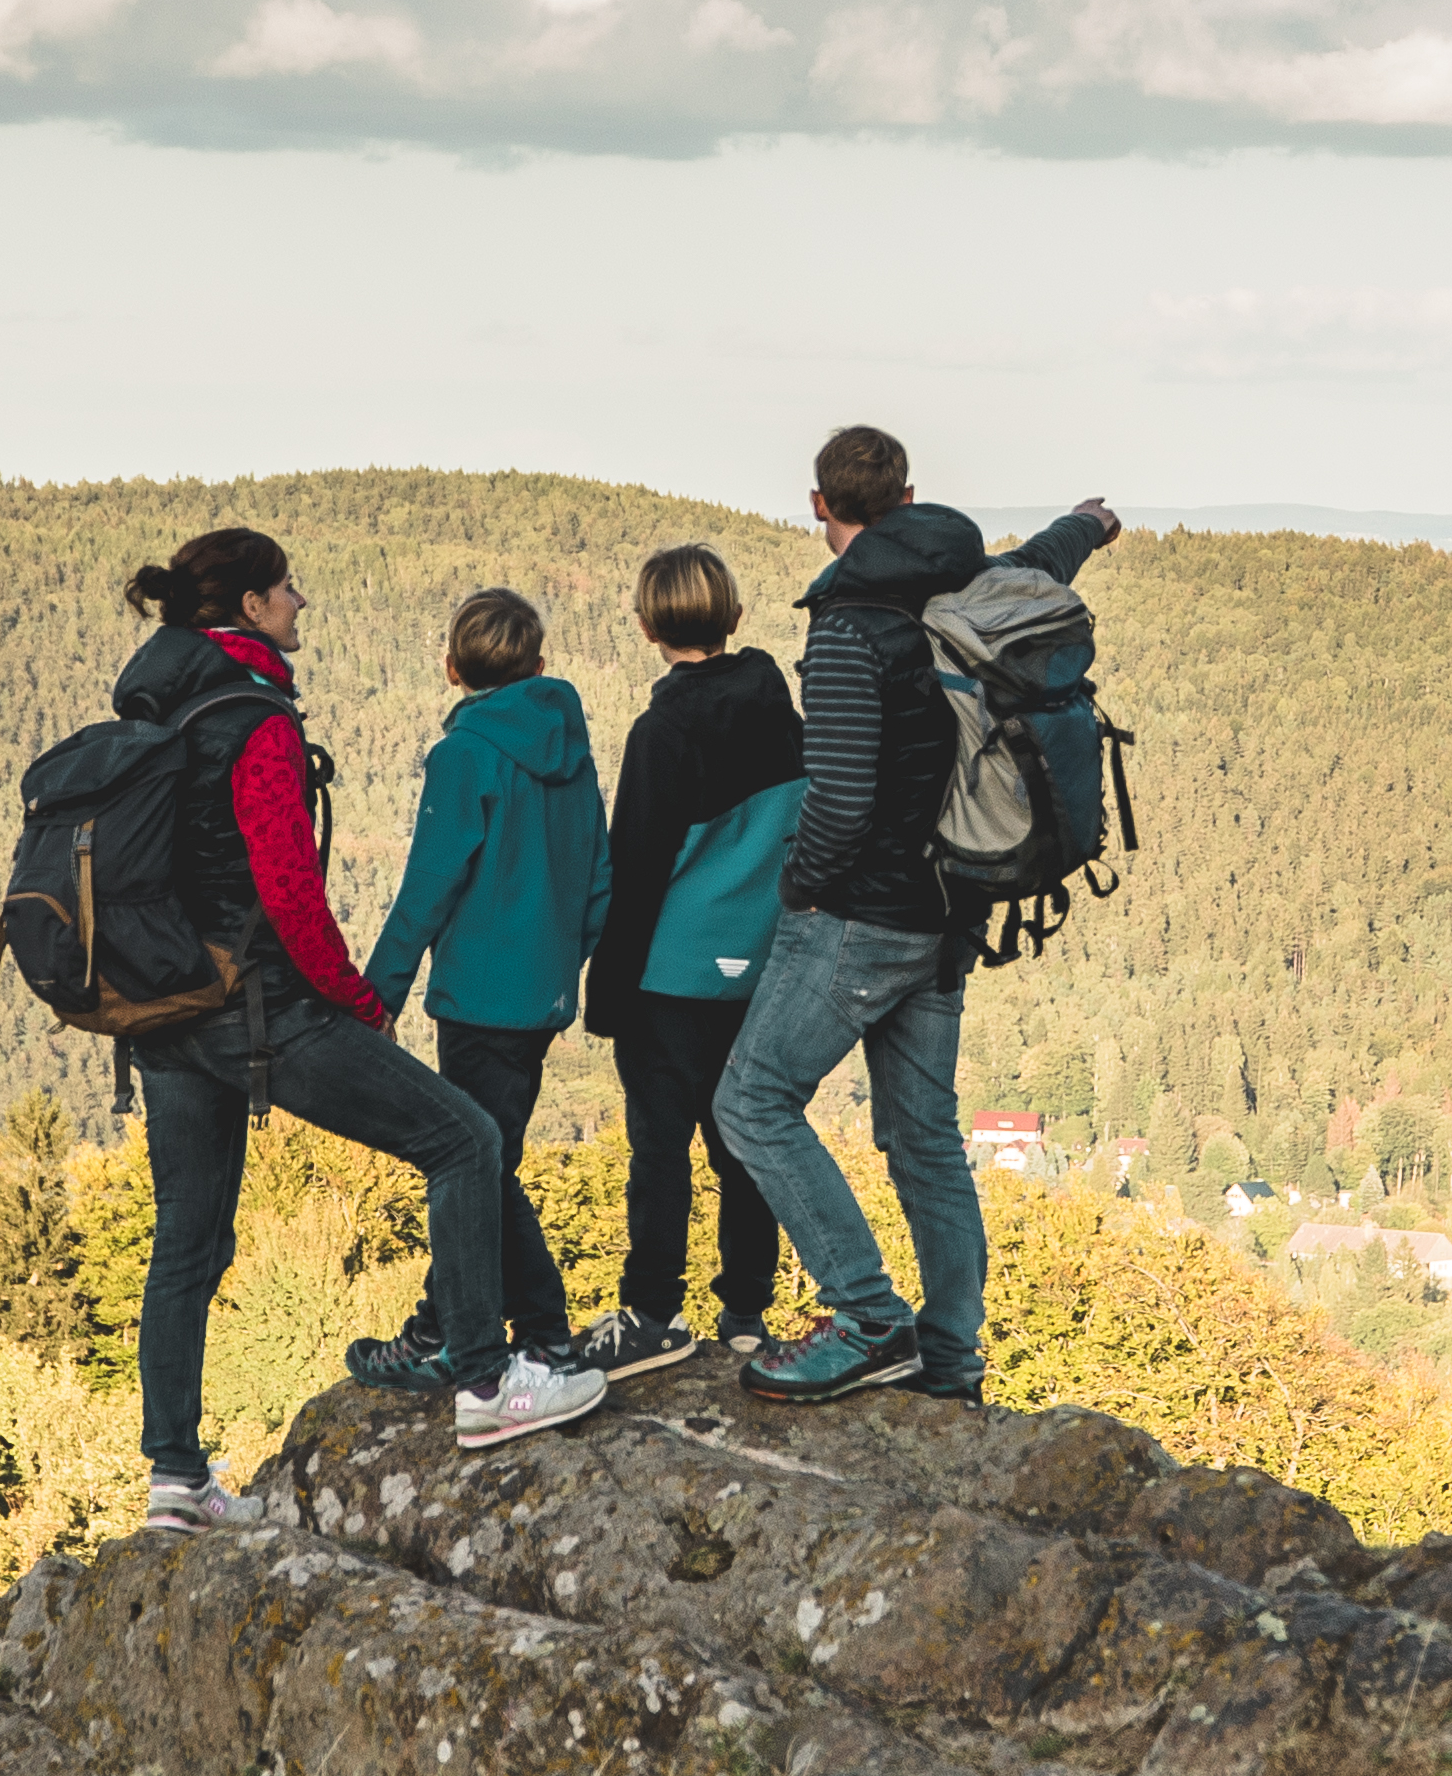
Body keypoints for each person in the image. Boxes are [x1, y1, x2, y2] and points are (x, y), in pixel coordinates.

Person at [105, 526, 599, 1521]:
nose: (300, 604)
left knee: (187, 1244)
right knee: (465, 1137)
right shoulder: (254, 717)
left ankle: (174, 1482)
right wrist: (356, 999)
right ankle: (487, 1382)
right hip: (261, 1009)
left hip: (162, 1010)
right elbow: (289, 885)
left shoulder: (155, 703)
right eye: (286, 589)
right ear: (248, 606)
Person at [713, 426, 1118, 1405]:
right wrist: (1086, 522)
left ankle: (867, 1318)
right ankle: (951, 1355)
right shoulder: (963, 578)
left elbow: (843, 799)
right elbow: (1038, 563)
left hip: (863, 916)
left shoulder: (850, 624)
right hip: (950, 912)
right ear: (907, 495)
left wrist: (800, 888)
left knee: (752, 1101)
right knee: (924, 1133)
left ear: (822, 506)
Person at [358, 585, 607, 1373]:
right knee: (486, 1160)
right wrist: (561, 966)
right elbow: (600, 877)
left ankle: (529, 1332)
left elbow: (429, 882)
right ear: (539, 666)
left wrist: (378, 991)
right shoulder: (570, 751)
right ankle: (446, 1327)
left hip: (476, 998)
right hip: (541, 999)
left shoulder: (462, 755)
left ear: (450, 668)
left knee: (477, 1166)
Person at [570, 542, 803, 1379]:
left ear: (644, 628)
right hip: (762, 960)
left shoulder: (660, 731)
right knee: (744, 1140)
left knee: (661, 1148)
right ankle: (745, 1313)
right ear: (735, 616)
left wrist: (607, 990)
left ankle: (653, 1311)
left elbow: (636, 870)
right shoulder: (780, 708)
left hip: (670, 975)